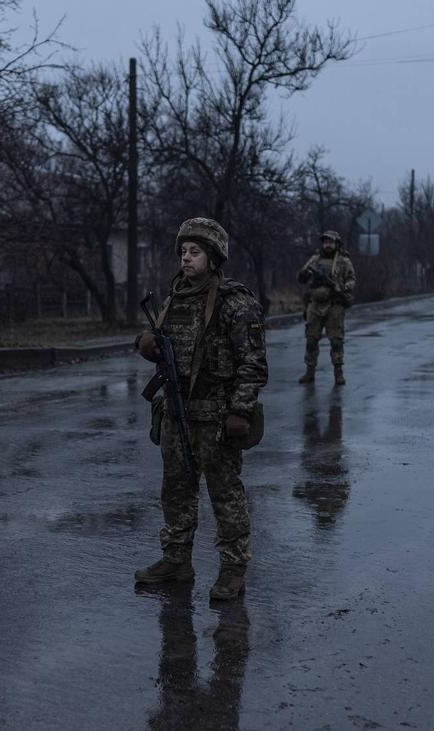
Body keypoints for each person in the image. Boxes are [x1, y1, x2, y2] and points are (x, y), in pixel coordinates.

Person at [134, 217, 268, 600]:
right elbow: (161, 341)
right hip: (177, 414)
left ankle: (233, 568)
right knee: (175, 491)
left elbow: (253, 364)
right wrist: (145, 342)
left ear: (213, 257)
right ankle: (176, 559)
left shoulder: (235, 303)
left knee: (225, 495)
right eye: (183, 251)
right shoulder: (174, 298)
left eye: (194, 252)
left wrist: (240, 411)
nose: (186, 258)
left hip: (217, 418)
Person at [297, 230, 356, 385]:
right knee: (311, 340)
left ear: (336, 244)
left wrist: (342, 287)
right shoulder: (315, 260)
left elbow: (352, 280)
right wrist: (304, 274)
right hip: (315, 304)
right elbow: (302, 277)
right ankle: (309, 372)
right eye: (325, 242)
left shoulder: (343, 261)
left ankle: (338, 373)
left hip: (334, 305)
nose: (327, 245)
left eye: (330, 242)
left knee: (336, 341)